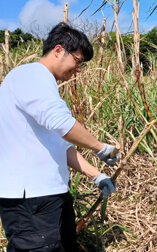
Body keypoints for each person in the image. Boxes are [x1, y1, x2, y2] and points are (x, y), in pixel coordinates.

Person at [0, 22, 120, 251]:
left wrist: (96, 175)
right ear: (58, 50)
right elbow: (62, 124)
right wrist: (100, 148)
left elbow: (61, 146)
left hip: (50, 196)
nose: (78, 69)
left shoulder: (42, 86)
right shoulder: (31, 75)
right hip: (30, 200)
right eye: (78, 61)